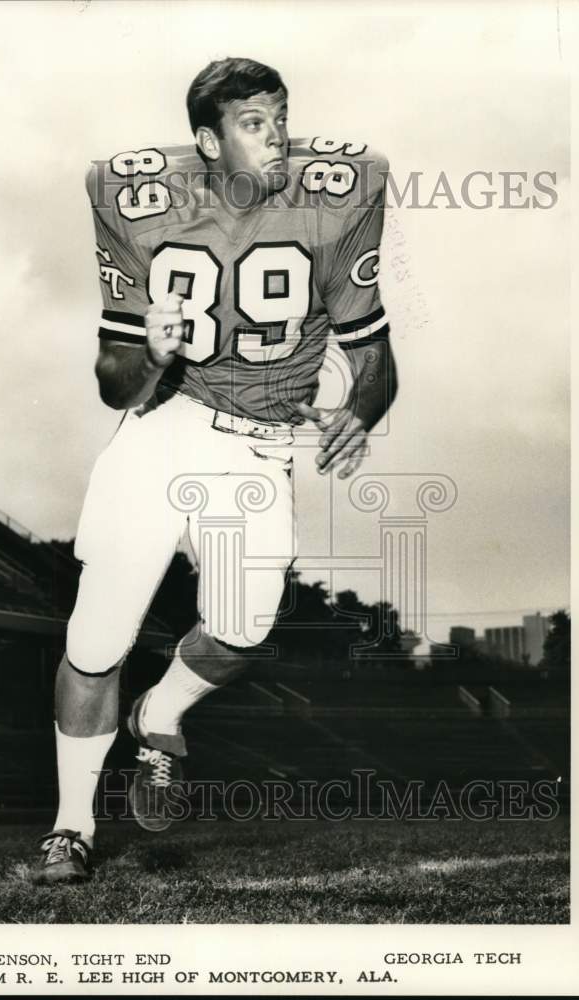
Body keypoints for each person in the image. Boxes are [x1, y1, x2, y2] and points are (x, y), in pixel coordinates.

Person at [34, 56, 398, 883]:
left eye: (280, 118)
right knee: (95, 640)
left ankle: (159, 711)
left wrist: (358, 411)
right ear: (206, 140)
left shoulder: (340, 193)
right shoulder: (136, 197)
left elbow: (374, 356)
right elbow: (114, 384)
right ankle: (69, 829)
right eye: (251, 124)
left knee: (240, 632)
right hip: (165, 424)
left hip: (259, 441)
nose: (276, 138)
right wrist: (152, 352)